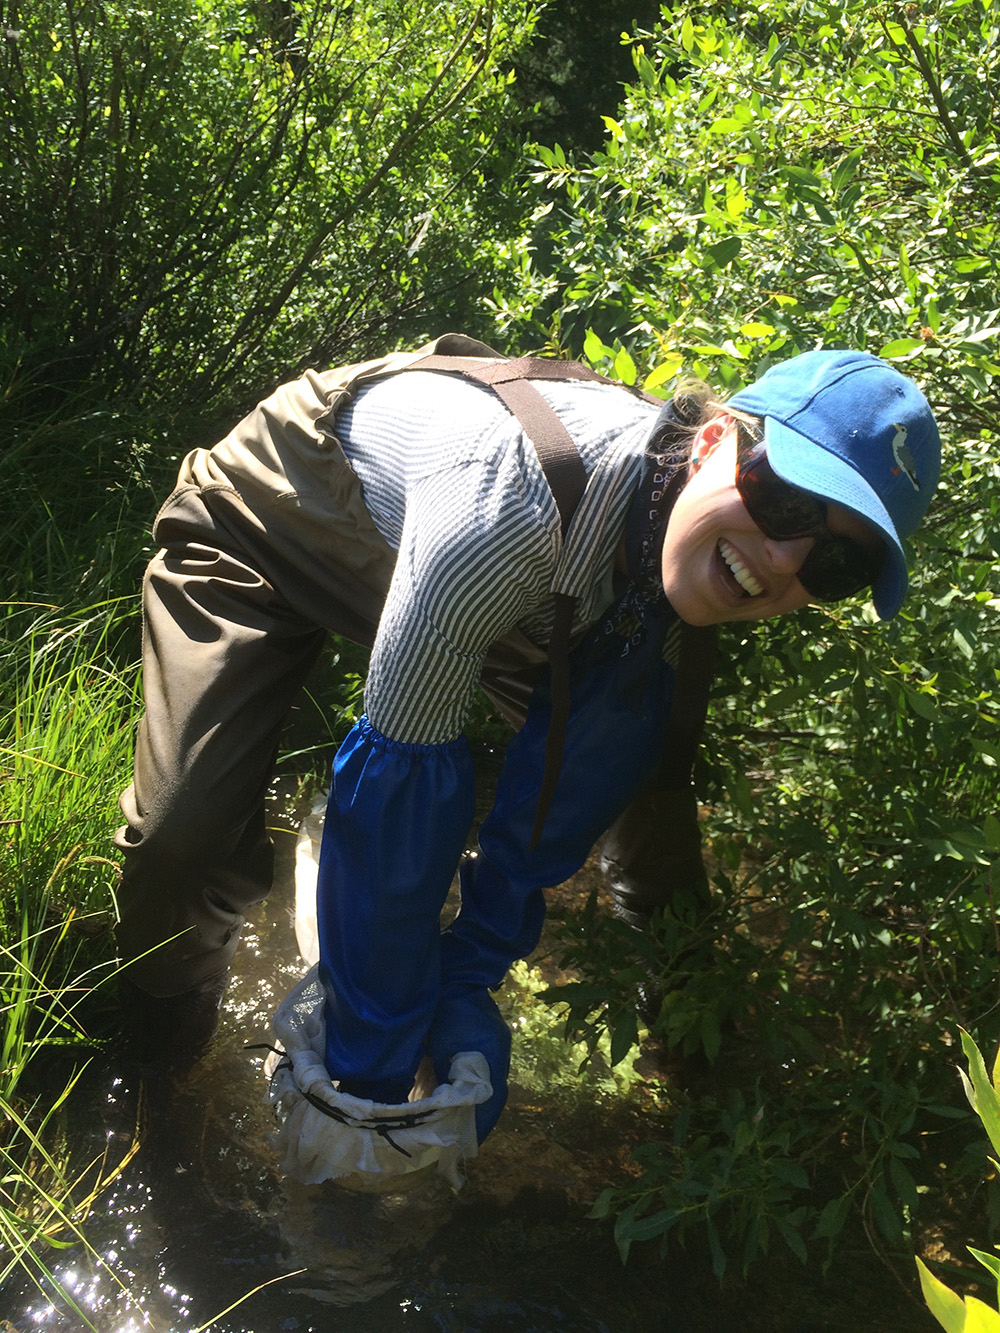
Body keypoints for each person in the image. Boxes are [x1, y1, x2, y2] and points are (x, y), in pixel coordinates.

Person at [114, 335, 940, 1175]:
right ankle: (155, 1065)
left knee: (652, 813)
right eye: (788, 501)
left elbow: (578, 773)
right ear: (715, 438)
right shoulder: (505, 506)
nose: (783, 559)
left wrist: (467, 969)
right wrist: (369, 1084)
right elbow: (391, 821)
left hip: (509, 591)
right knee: (183, 837)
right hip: (276, 523)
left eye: (835, 564)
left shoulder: (687, 561)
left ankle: (703, 1090)